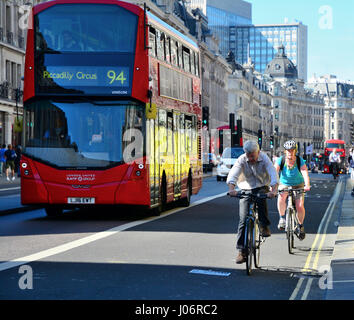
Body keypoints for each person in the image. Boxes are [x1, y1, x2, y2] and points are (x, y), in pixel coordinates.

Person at [227, 140, 279, 264]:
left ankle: (264, 225)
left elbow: (273, 173)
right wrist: (232, 189)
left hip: (261, 186)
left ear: (258, 152)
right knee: (243, 219)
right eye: (248, 156)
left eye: (253, 156)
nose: (250, 158)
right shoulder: (241, 159)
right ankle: (241, 251)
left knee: (261, 201)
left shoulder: (265, 158)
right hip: (245, 188)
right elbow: (233, 174)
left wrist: (274, 190)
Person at [274, 140, 311, 241]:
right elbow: (274, 173)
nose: (290, 152)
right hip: (284, 184)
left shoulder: (299, 161)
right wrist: (272, 185)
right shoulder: (280, 160)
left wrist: (307, 184)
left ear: (295, 151)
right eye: (288, 150)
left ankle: (300, 225)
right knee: (281, 198)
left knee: (299, 206)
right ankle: (282, 218)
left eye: (292, 150)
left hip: (298, 185)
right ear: (285, 151)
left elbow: (304, 173)